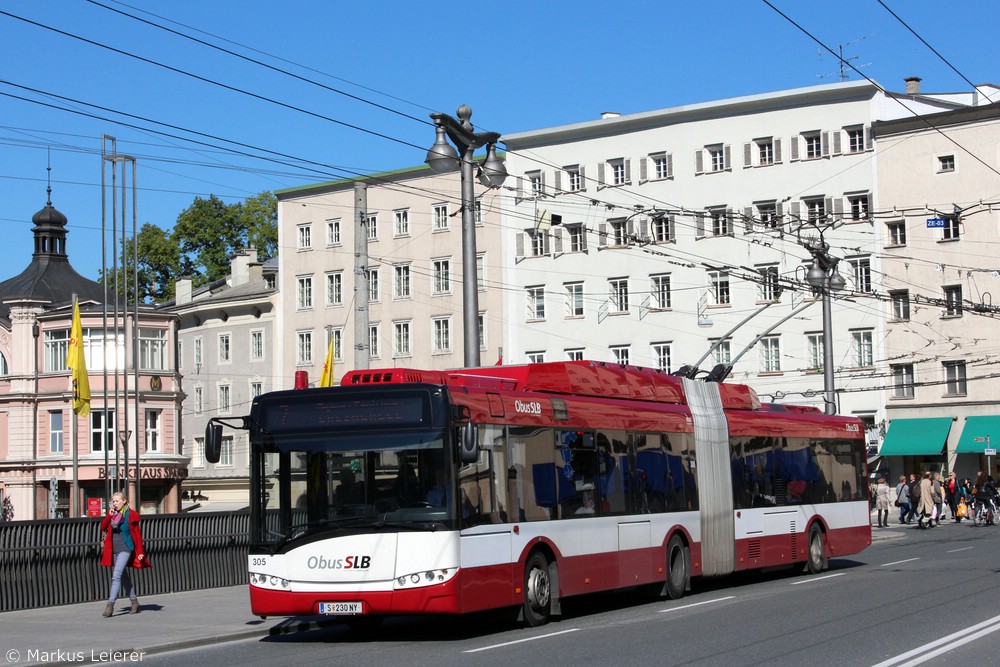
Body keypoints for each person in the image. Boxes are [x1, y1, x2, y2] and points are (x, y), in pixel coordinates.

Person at [99, 491, 150, 617]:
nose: (114, 504)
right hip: (114, 548)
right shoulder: (113, 514)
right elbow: (102, 527)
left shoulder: (131, 515)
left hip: (126, 548)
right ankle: (134, 602)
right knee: (123, 577)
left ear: (124, 501)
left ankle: (110, 605)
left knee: (116, 576)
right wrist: (108, 516)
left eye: (117, 501)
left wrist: (140, 552)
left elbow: (137, 535)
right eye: (113, 501)